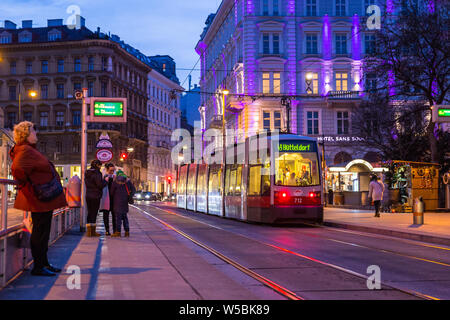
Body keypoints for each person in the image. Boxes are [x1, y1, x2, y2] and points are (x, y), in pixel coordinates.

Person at [10, 122, 67, 276]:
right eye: (34, 132)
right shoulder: (25, 150)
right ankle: (38, 267)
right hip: (38, 197)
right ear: (26, 134)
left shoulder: (29, 150)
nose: (36, 134)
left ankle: (44, 263)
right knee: (40, 232)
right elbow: (17, 169)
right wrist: (32, 185)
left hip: (43, 197)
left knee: (44, 231)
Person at [84, 160, 107, 237]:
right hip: (95, 195)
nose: (100, 167)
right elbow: (99, 185)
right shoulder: (97, 173)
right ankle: (92, 232)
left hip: (88, 195)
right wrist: (105, 181)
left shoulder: (87, 173)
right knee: (94, 213)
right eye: (100, 165)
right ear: (97, 165)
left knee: (90, 213)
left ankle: (89, 232)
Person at [110, 170, 135, 237]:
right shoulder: (128, 182)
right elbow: (133, 190)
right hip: (125, 201)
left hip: (117, 201)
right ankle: (127, 232)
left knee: (118, 217)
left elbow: (111, 192)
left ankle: (118, 232)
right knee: (124, 217)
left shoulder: (115, 182)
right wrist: (129, 196)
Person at [100, 163, 116, 236]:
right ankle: (107, 230)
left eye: (113, 170)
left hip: (113, 198)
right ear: (107, 169)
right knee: (105, 215)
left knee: (114, 215)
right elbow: (100, 185)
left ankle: (115, 230)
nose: (112, 172)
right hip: (106, 197)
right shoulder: (103, 176)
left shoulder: (115, 176)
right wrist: (106, 180)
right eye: (110, 170)